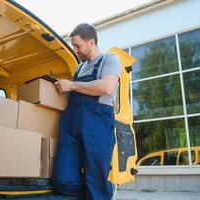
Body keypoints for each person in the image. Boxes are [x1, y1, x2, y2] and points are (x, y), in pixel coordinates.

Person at [53, 23, 121, 200]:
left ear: (91, 42)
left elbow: (106, 87)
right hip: (71, 123)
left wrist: (72, 85)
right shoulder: (78, 68)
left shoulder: (110, 59)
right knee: (62, 180)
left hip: (97, 122)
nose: (75, 50)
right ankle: (101, 189)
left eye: (78, 45)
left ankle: (100, 189)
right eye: (74, 46)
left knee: (96, 178)